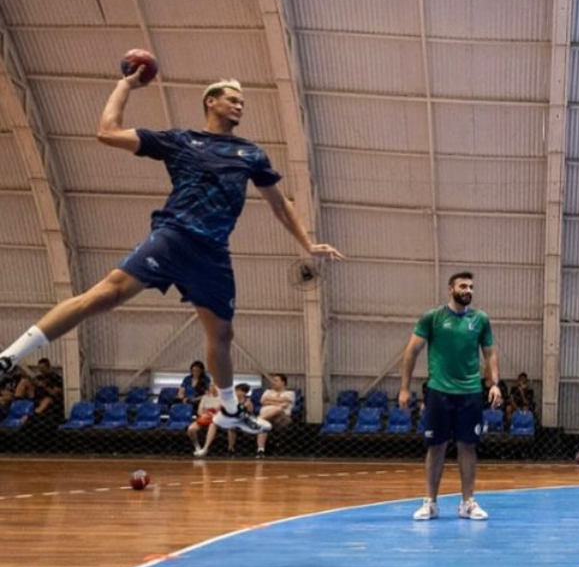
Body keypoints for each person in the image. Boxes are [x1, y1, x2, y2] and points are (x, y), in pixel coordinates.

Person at [0, 68, 344, 436]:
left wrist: (306, 243)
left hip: (212, 253)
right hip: (174, 236)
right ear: (211, 102)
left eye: (242, 101)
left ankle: (229, 410)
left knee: (222, 336)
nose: (239, 105)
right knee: (105, 295)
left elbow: (279, 203)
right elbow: (108, 132)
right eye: (232, 98)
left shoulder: (250, 153)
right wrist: (126, 84)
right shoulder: (180, 140)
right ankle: (9, 357)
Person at [399, 272, 501, 521]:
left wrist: (494, 383)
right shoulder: (432, 318)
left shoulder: (480, 320)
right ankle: (430, 503)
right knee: (436, 448)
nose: (468, 290)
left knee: (468, 447)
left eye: (471, 287)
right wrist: (404, 388)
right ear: (450, 289)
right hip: (439, 392)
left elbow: (489, 354)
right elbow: (411, 352)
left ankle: (467, 503)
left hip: (470, 393)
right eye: (463, 286)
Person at [196, 383, 257, 457]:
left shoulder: (248, 402)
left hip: (242, 420)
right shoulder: (230, 400)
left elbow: (248, 414)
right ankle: (206, 447)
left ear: (243, 392)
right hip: (228, 419)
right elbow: (218, 409)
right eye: (235, 390)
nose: (235, 392)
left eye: (237, 390)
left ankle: (231, 448)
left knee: (231, 427)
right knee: (213, 423)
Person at [253, 373, 296, 458]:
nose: (273, 382)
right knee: (264, 424)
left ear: (283, 382)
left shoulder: (290, 393)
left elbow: (286, 403)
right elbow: (263, 401)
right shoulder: (267, 391)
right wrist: (279, 402)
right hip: (268, 417)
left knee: (279, 409)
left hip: (282, 418)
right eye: (273, 381)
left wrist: (269, 400)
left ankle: (257, 419)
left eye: (276, 381)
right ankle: (261, 450)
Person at [188, 383, 222, 455]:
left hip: (216, 419)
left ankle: (205, 448)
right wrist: (204, 415)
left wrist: (213, 415)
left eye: (214, 386)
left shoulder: (222, 399)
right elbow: (199, 411)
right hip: (204, 417)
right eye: (210, 386)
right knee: (191, 429)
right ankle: (197, 447)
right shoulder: (205, 397)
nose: (212, 387)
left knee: (213, 424)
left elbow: (222, 412)